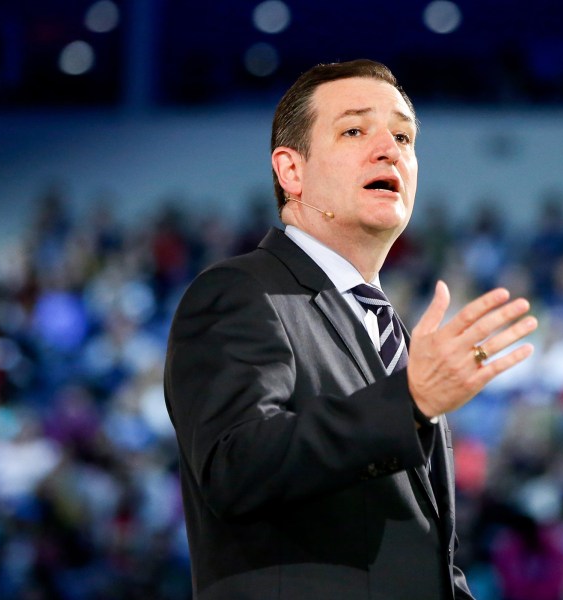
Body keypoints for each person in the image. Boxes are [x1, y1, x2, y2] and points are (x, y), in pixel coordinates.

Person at [164, 59, 538, 600]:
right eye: (355, 129)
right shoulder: (240, 292)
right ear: (291, 172)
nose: (390, 147)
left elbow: (423, 560)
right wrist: (408, 401)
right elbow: (235, 467)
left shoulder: (393, 336)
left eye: (404, 135)